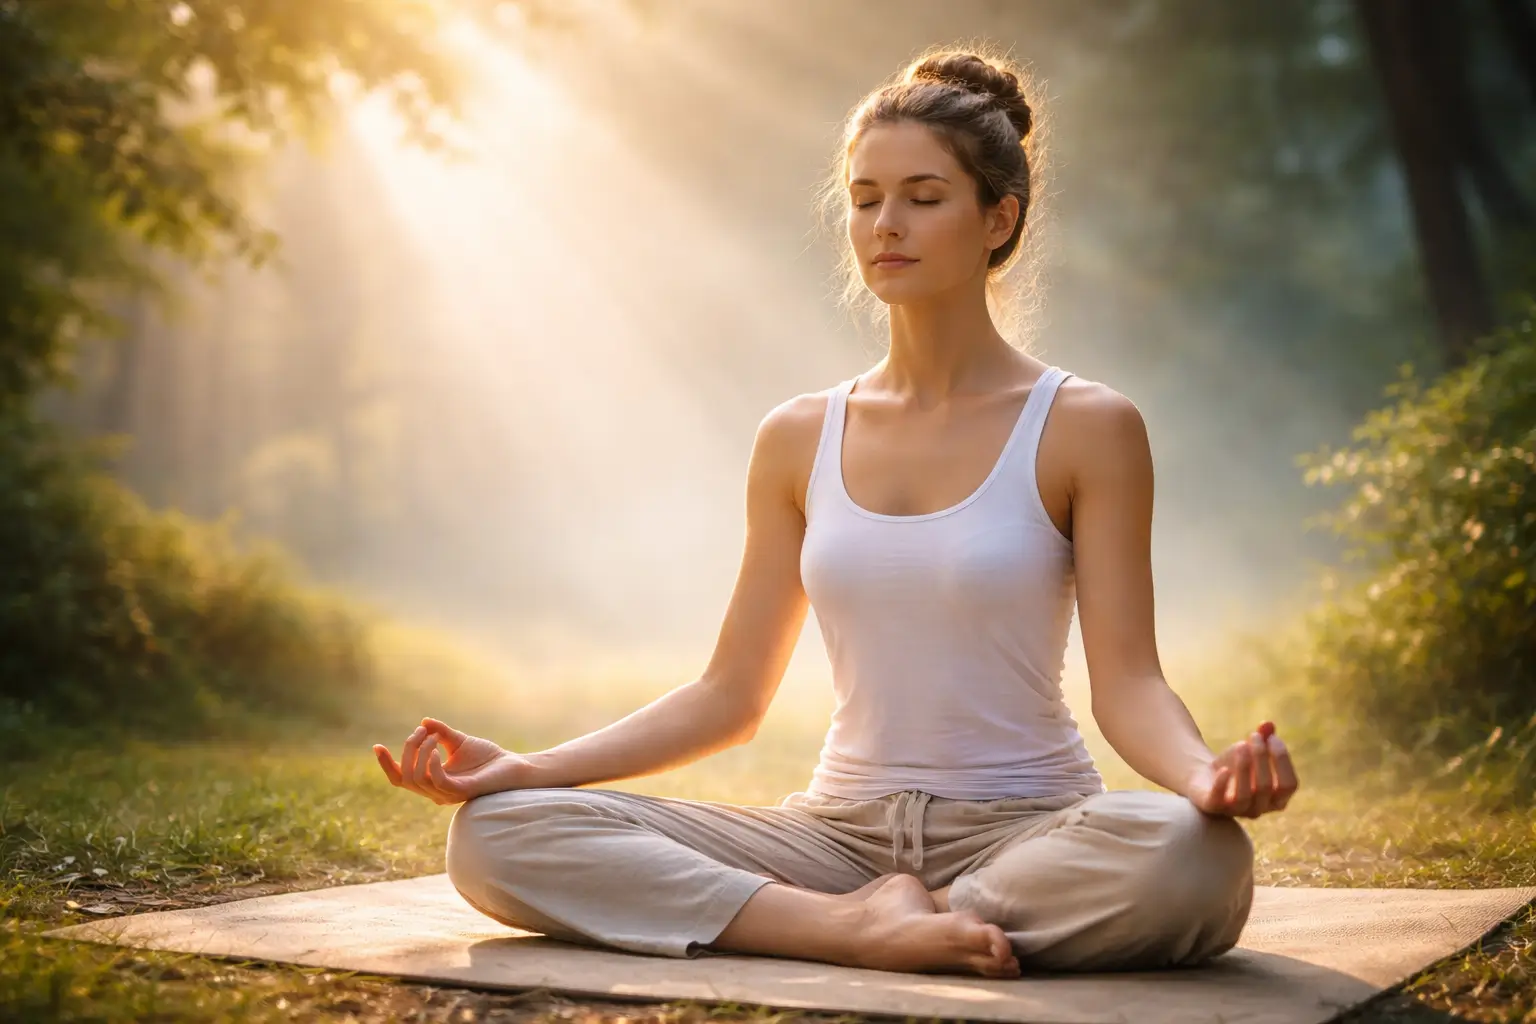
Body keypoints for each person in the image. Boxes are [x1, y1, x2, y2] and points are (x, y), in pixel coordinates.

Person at [373, 46, 1299, 980]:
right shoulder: (797, 435)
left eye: (923, 198)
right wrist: (528, 769)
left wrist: (1203, 777)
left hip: (1029, 831)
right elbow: (729, 697)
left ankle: (919, 916)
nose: (885, 225)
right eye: (864, 199)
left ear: (999, 218)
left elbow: (1129, 684)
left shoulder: (1087, 426)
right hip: (833, 838)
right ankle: (849, 927)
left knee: (1197, 855)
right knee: (496, 834)